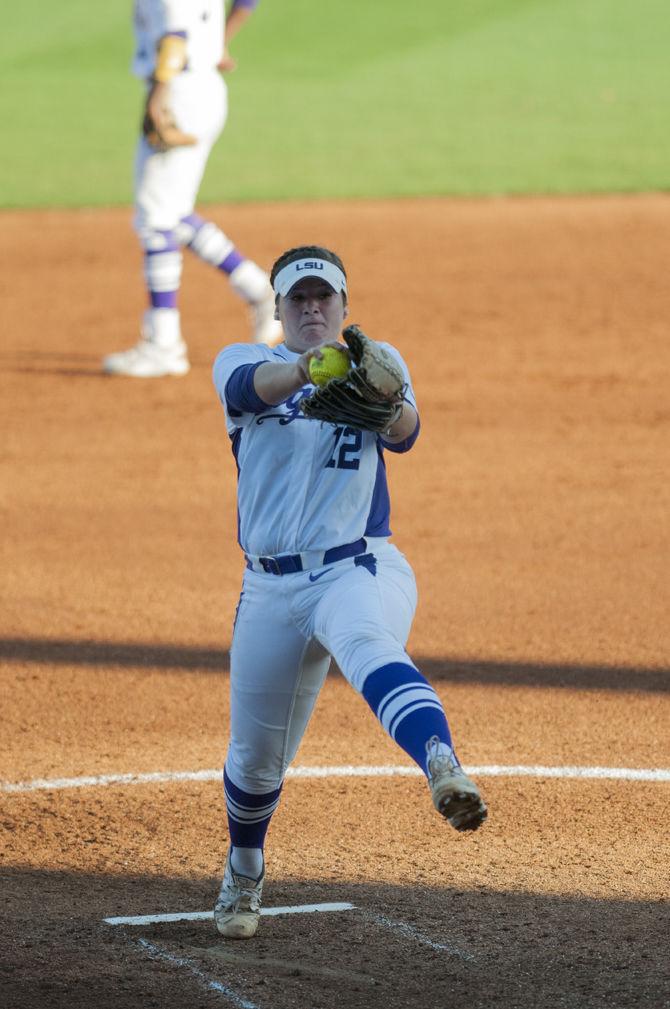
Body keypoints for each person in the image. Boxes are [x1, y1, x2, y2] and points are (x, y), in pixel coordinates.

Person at [211, 245, 487, 940]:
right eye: (297, 299)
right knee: (254, 759)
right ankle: (245, 870)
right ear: (277, 309)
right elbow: (252, 390)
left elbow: (407, 432)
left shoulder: (378, 360)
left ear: (342, 307)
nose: (311, 308)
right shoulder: (239, 360)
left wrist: (386, 398)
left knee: (367, 643)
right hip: (269, 589)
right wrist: (305, 371)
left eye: (323, 298)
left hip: (356, 567)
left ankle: (441, 763)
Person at [103, 0, 281, 379]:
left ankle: (163, 345)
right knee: (173, 212)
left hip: (178, 93)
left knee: (155, 219)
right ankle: (260, 291)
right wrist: (219, 42)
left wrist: (158, 94)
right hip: (199, 88)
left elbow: (175, 35)